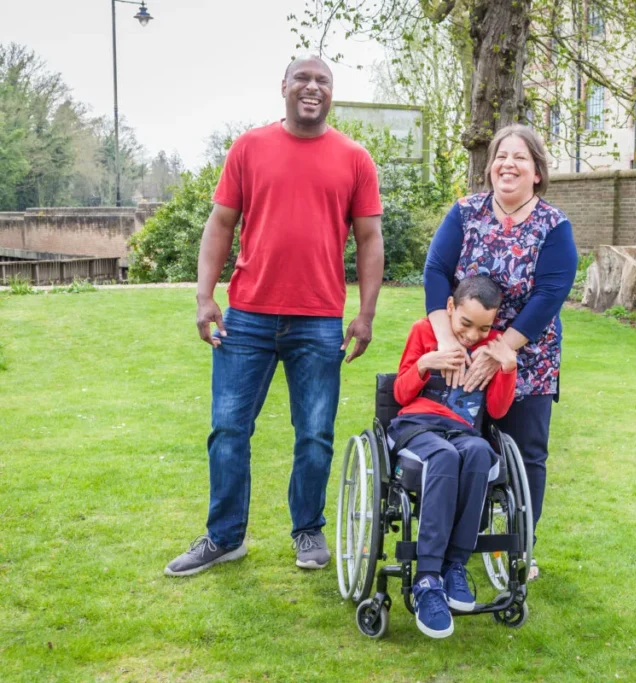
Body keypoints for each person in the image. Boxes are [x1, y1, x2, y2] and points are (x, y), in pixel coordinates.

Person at [164, 55, 384, 577]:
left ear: (333, 92)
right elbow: (220, 224)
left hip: (319, 320)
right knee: (228, 429)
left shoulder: (354, 158)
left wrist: (366, 314)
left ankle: (307, 529)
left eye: (323, 81)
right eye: (303, 79)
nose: (313, 88)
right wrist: (204, 296)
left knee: (314, 434)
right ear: (283, 87)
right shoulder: (249, 148)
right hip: (248, 319)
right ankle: (224, 537)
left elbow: (370, 237)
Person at [422, 124, 578, 582]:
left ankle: (518, 549)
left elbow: (550, 294)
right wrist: (447, 339)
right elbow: (435, 270)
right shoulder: (466, 212)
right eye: (500, 156)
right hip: (461, 351)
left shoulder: (553, 226)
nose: (508, 164)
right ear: (490, 167)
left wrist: (503, 348)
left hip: (527, 357)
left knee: (526, 455)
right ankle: (452, 543)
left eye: (520, 158)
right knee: (460, 446)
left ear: (537, 172)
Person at [388, 275, 517, 638]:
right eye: (466, 323)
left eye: (484, 328)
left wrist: (508, 368)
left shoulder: (491, 347)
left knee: (478, 453)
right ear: (450, 309)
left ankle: (454, 566)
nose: (473, 335)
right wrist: (425, 363)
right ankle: (427, 578)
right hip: (417, 427)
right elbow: (399, 393)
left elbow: (498, 408)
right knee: (443, 458)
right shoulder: (424, 332)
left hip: (464, 432)